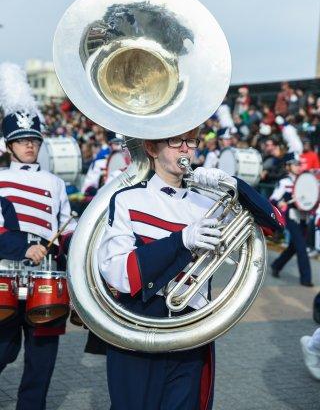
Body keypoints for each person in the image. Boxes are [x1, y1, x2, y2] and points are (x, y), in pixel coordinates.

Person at [98, 128, 284, 410]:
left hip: (191, 330)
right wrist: (181, 241)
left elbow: (274, 225)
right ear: (151, 147)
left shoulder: (208, 202)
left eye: (191, 141)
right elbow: (119, 273)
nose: (185, 149)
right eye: (175, 140)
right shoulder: (127, 199)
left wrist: (232, 184)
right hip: (138, 325)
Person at [0, 63, 76, 410]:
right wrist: (21, 247)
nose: (29, 146)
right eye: (21, 141)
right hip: (5, 274)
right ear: (8, 146)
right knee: (3, 349)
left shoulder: (56, 183)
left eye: (32, 140)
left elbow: (66, 227)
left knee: (42, 360)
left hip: (46, 276)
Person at [270, 152, 313, 286]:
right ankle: (306, 279)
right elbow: (273, 199)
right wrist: (281, 203)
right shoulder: (284, 182)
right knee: (301, 246)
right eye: (295, 164)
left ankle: (276, 265)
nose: (298, 166)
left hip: (303, 217)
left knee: (294, 247)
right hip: (291, 216)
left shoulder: (303, 180)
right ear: (288, 166)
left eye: (298, 164)